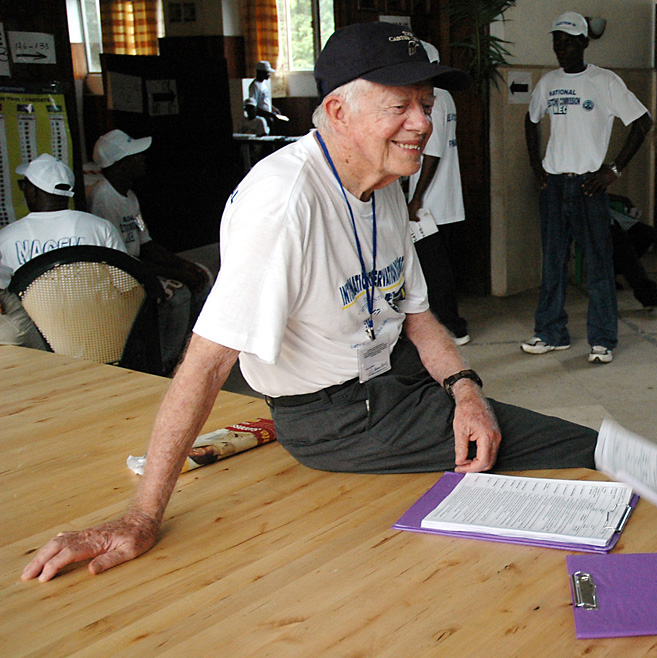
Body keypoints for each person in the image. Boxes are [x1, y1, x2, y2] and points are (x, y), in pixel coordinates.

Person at [22, 22, 597, 584]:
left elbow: (418, 317)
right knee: (581, 451)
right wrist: (141, 517)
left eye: (426, 103)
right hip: (338, 415)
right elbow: (206, 363)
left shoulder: (387, 181)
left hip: (396, 375)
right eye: (400, 105)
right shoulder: (283, 203)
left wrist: (466, 390)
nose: (422, 123)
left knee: (517, 439)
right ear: (339, 112)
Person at [522, 11, 653, 364]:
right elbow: (531, 120)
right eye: (556, 42)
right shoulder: (548, 82)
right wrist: (537, 165)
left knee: (598, 265)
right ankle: (550, 332)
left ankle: (603, 339)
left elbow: (643, 122)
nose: (561, 49)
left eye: (567, 42)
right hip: (553, 186)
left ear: (582, 42)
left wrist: (614, 169)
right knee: (552, 264)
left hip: (588, 187)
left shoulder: (604, 81)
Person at [90, 129, 212, 372]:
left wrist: (183, 266)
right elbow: (121, 261)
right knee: (178, 295)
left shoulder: (130, 197)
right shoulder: (102, 199)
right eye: (135, 156)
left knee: (202, 276)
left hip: (136, 264)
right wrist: (178, 274)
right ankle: (164, 363)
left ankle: (189, 353)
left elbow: (145, 241)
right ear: (120, 164)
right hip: (121, 273)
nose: (142, 159)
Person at [0, 154, 123, 351]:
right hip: (101, 340)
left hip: (39, 350)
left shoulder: (5, 239)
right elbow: (125, 285)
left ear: (32, 192)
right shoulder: (101, 228)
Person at [405, 40, 471, 345]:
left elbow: (432, 153)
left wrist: (416, 198)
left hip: (432, 199)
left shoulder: (436, 98)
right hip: (437, 197)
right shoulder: (443, 97)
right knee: (435, 263)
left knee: (435, 266)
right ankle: (448, 323)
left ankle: (452, 326)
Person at [607, 195, 657, 309]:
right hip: (585, 214)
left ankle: (612, 271)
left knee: (646, 233)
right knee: (618, 238)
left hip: (607, 213)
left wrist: (622, 199)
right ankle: (646, 292)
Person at [247, 60, 288, 128]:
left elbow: (264, 100)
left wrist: (273, 109)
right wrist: (270, 114)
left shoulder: (263, 84)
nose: (269, 74)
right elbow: (254, 106)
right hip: (263, 118)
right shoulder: (254, 86)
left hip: (268, 116)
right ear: (260, 72)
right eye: (267, 72)